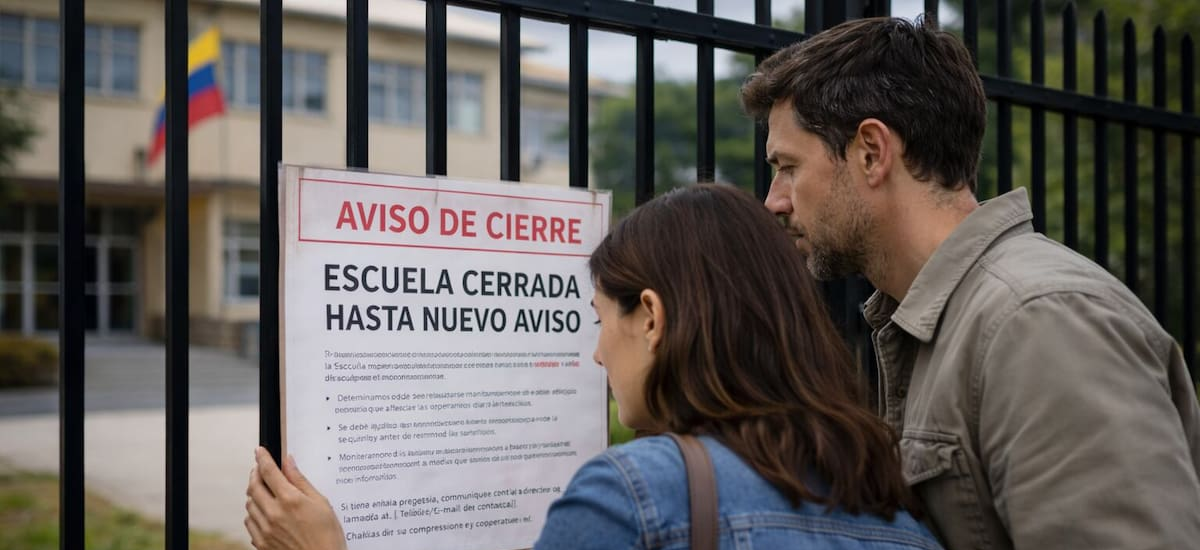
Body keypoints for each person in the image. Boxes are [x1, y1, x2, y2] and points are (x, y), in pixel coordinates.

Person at [244, 184, 942, 550]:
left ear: (652, 317)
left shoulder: (633, 496)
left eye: (600, 321)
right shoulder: (892, 506)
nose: (596, 352)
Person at [740, 15, 1200, 550]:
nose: (774, 199)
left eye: (788, 166)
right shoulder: (946, 316)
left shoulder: (1038, 321)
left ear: (871, 151)